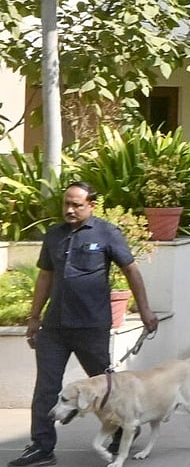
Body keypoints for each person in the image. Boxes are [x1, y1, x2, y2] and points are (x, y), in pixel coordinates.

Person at [9, 182, 159, 467]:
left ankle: (123, 430)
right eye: (66, 203)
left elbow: (131, 270)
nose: (70, 209)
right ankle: (41, 447)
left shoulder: (107, 233)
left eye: (77, 204)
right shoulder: (54, 235)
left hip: (91, 326)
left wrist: (145, 310)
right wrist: (34, 317)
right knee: (46, 388)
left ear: (91, 204)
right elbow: (45, 277)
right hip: (55, 327)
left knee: (108, 387)